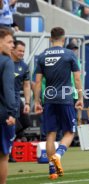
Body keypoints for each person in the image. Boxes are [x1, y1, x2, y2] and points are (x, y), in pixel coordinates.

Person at [34, 27, 83, 180]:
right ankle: (58, 155)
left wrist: (36, 101)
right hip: (65, 98)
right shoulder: (69, 55)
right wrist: (80, 97)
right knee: (69, 132)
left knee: (50, 134)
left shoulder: (42, 56)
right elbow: (76, 79)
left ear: (50, 39)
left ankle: (52, 170)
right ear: (64, 39)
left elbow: (37, 81)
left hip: (49, 99)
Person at [9, 40, 31, 162]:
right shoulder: (4, 62)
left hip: (16, 100)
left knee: (13, 128)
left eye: (23, 51)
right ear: (12, 50)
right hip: (2, 100)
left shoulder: (24, 66)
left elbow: (26, 85)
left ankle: (9, 153)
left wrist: (27, 102)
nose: (22, 53)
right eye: (20, 51)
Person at [0, 27, 17, 184]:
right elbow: (8, 89)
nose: (13, 45)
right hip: (2, 116)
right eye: (9, 41)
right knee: (3, 156)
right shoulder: (7, 62)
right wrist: (12, 113)